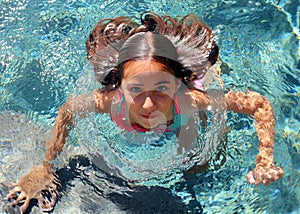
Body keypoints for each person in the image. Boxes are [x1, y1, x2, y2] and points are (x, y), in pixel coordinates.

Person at [5, 12, 284, 213]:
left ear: (176, 84)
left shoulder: (189, 99)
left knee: (203, 162)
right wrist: (44, 167)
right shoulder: (109, 101)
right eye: (136, 90)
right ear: (120, 85)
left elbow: (259, 104)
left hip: (188, 94)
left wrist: (265, 158)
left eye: (162, 88)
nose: (149, 105)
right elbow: (67, 111)